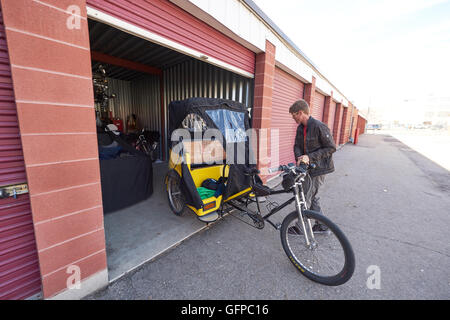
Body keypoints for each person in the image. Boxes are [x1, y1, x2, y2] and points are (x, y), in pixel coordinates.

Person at [288, 99, 336, 234]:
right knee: (312, 196)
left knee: (306, 196)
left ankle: (300, 228)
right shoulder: (300, 128)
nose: (293, 118)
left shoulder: (319, 126)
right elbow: (297, 145)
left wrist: (310, 157)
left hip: (319, 168)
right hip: (307, 168)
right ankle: (322, 226)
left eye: (294, 115)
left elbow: (331, 148)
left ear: (300, 112)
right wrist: (299, 158)